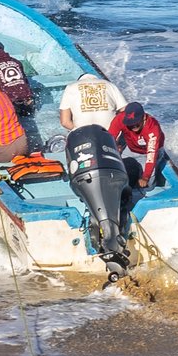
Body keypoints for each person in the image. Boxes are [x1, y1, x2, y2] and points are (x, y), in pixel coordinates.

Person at [58, 74, 134, 267]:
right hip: (109, 140)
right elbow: (125, 114)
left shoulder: (71, 87)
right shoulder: (110, 85)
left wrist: (80, 131)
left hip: (85, 149)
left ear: (80, 79)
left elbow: (65, 122)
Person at [109, 99, 165, 191]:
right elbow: (110, 137)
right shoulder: (120, 119)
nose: (133, 126)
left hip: (148, 154)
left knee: (149, 184)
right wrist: (114, 147)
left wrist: (145, 177)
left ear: (143, 118)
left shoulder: (153, 128)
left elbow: (151, 155)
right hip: (129, 147)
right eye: (130, 123)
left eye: (136, 123)